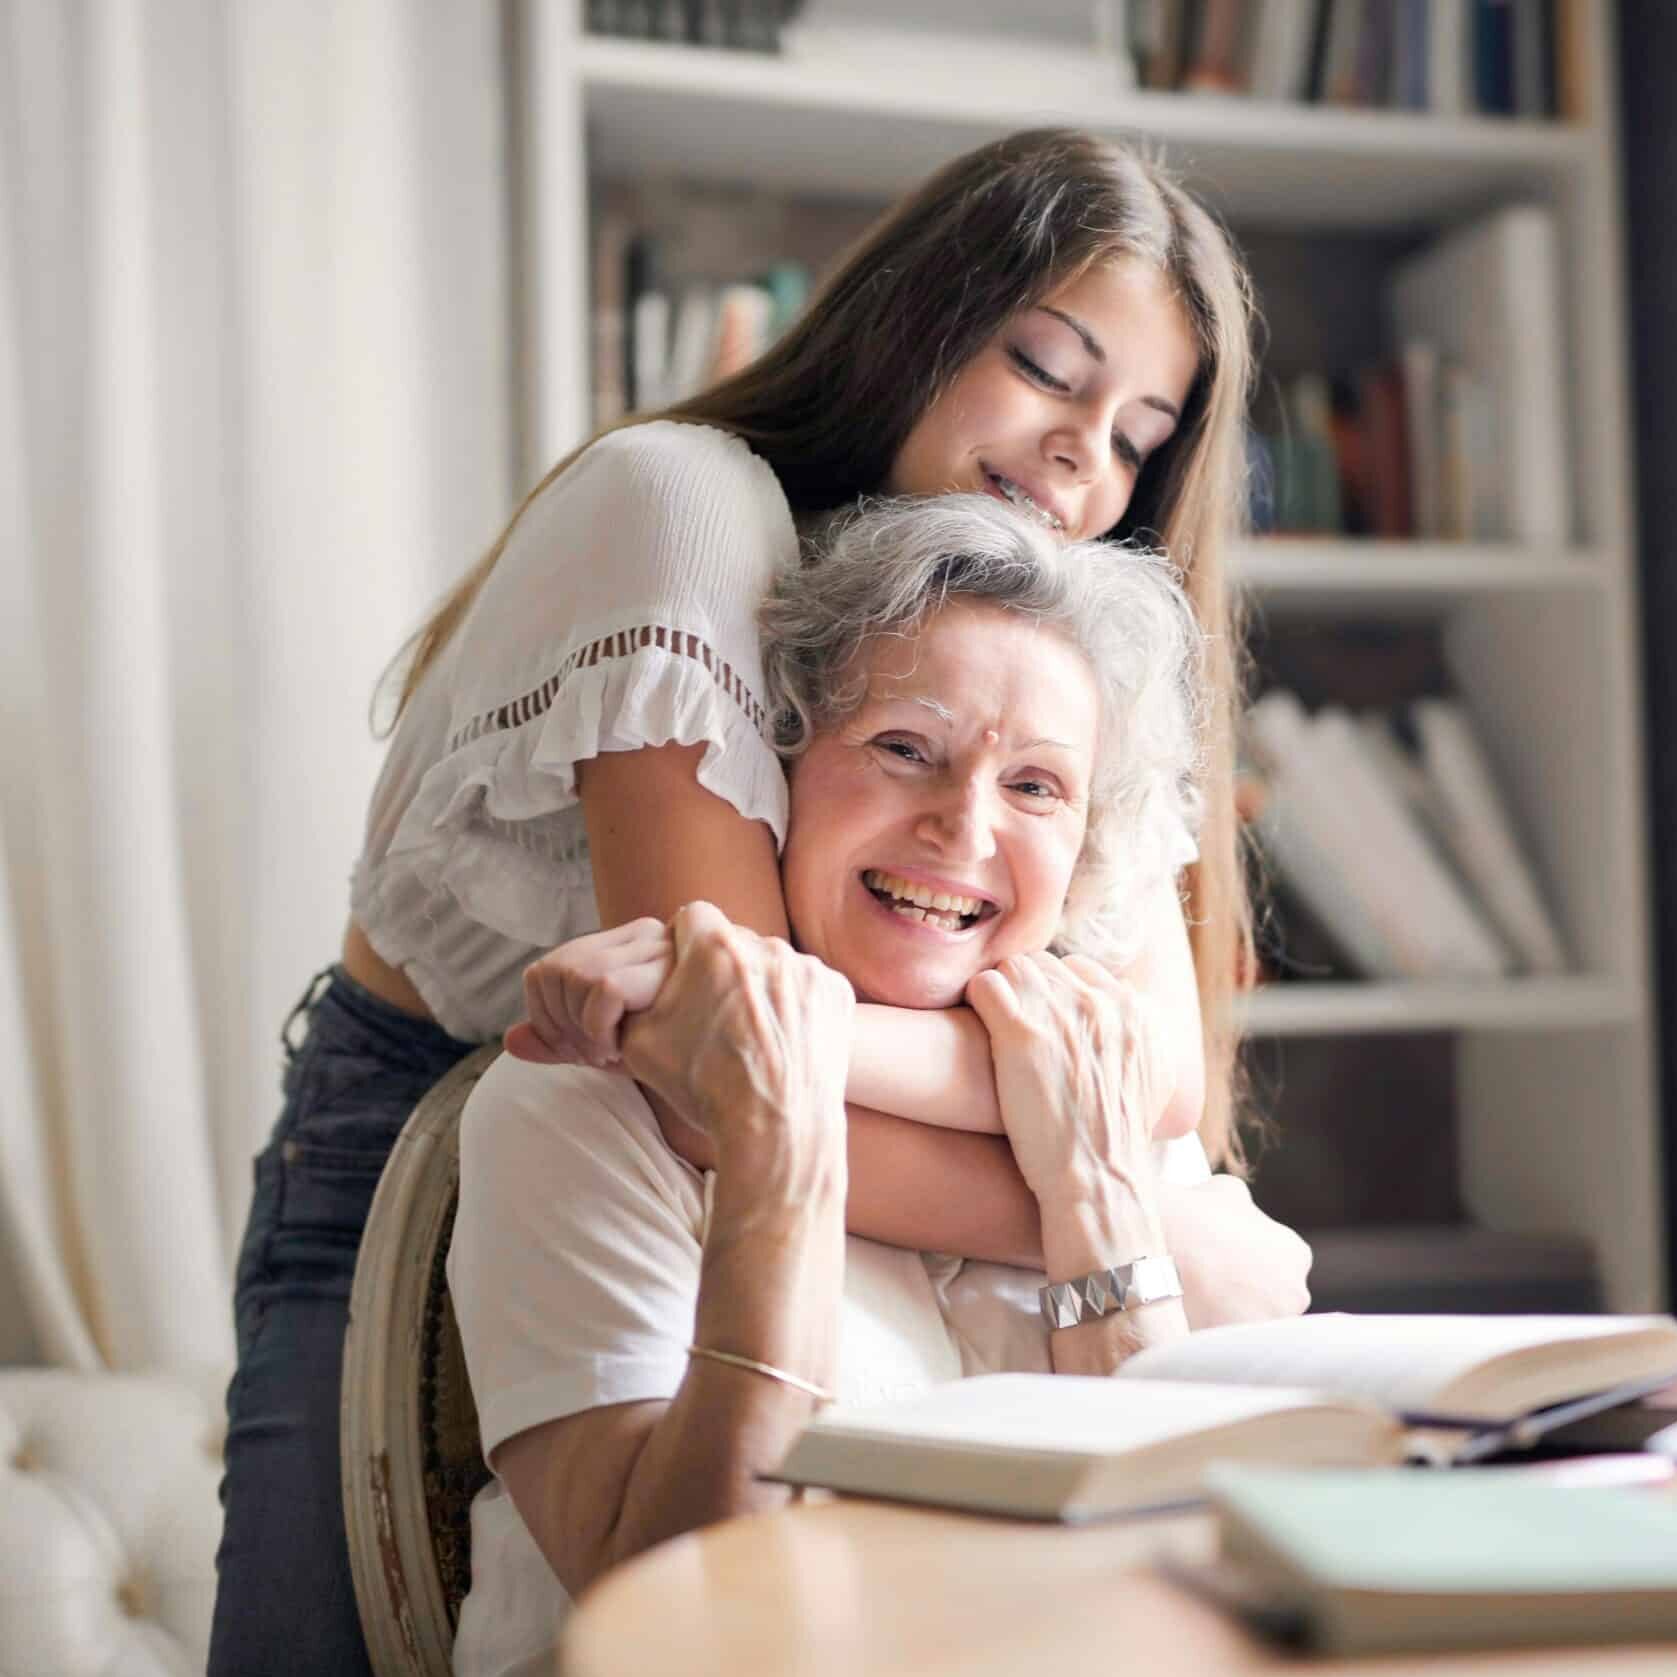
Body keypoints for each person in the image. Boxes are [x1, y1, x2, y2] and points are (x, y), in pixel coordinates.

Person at [209, 127, 1308, 1677]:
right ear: (916, 325)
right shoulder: (681, 508)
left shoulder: (1039, 629)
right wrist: (1119, 1201)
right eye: (1048, 370)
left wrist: (1096, 1156)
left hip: (744, 1145)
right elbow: (737, 1090)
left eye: (1139, 433)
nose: (1084, 459)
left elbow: (1154, 1071)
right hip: (442, 1140)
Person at [448, 494, 1224, 1676]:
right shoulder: (586, 1107)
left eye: (1035, 787)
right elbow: (688, 1619)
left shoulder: (1099, 1107)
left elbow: (1183, 1571)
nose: (963, 827)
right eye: (906, 748)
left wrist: (1100, 1191)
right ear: (786, 766)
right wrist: (780, 1144)